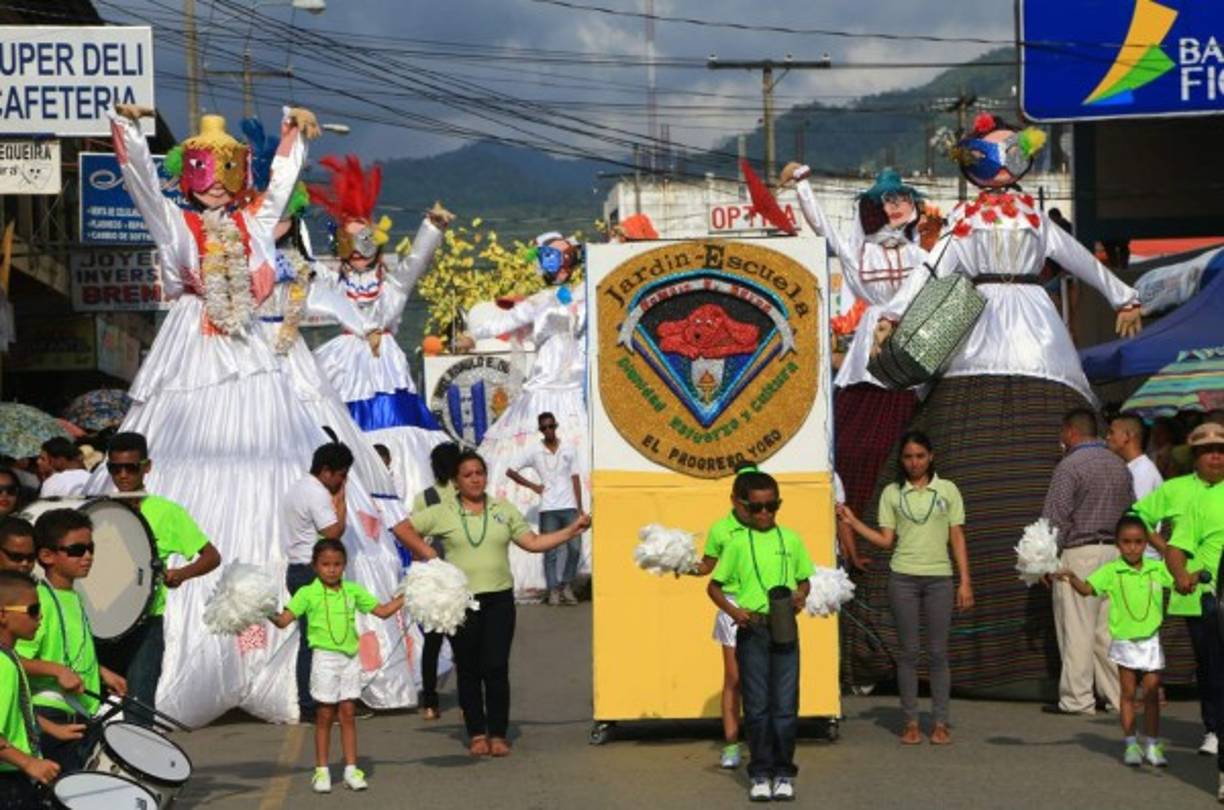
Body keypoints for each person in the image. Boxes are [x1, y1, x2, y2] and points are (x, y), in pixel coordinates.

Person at [843, 114, 1141, 697]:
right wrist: (889, 314)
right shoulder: (987, 218)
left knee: (956, 434)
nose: (1001, 167)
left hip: (1004, 322)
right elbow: (934, 270)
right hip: (1013, 323)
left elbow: (1076, 258)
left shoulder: (1009, 217)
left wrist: (1123, 293)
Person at [99, 103, 342, 726]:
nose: (215, 179)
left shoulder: (256, 223)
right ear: (188, 171)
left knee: (279, 454)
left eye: (227, 166)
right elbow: (142, 188)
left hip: (252, 353)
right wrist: (126, 129)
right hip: (192, 347)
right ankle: (174, 668)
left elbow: (282, 187)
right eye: (204, 166)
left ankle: (294, 659)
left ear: (240, 172)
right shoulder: (178, 227)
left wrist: (293, 135)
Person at [393, 450, 590, 757]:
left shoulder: (503, 509)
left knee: (496, 666)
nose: (475, 479)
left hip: (499, 599)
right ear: (457, 481)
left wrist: (570, 531)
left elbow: (533, 543)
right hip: (461, 603)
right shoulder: (443, 511)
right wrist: (429, 555)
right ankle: (476, 732)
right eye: (468, 474)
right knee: (469, 669)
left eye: (479, 473)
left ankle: (498, 732)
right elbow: (402, 528)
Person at [779, 163, 932, 517]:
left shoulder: (920, 254)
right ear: (871, 209)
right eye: (885, 201)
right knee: (859, 431)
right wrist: (803, 187)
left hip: (914, 336)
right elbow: (823, 227)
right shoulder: (856, 251)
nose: (893, 207)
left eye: (900, 199)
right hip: (873, 340)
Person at [308, 155, 452, 502]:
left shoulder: (392, 286)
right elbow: (303, 268)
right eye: (350, 241)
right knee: (340, 427)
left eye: (366, 239)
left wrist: (432, 228)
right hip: (345, 363)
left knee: (399, 430)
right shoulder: (332, 282)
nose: (358, 250)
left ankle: (403, 500)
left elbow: (416, 262)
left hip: (385, 364)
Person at [458, 231, 590, 599]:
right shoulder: (538, 301)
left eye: (553, 257)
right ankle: (545, 573)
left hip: (575, 393)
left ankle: (578, 569)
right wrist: (473, 334)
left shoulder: (587, 292)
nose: (547, 266)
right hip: (544, 392)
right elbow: (503, 321)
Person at [838, 431, 973, 744]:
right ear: (902, 460)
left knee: (939, 653)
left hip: (940, 578)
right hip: (903, 578)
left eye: (920, 456)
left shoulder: (948, 490)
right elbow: (886, 540)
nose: (914, 463)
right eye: (909, 457)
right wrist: (854, 522)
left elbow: (957, 537)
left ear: (931, 456)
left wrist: (965, 581)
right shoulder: (892, 493)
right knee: (909, 652)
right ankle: (911, 720)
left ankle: (940, 722)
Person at [707, 469, 813, 802]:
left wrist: (801, 595)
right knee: (756, 706)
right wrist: (733, 611)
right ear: (744, 507)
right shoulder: (737, 542)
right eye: (757, 508)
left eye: (772, 506)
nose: (765, 513)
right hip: (751, 627)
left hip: (784, 626)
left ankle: (783, 772)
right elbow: (713, 586)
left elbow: (804, 579)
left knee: (784, 705)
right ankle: (760, 772)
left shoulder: (792, 539)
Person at [269, 539, 404, 793]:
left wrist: (411, 593)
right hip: (324, 659)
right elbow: (283, 620)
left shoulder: (353, 590)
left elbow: (384, 611)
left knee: (348, 713)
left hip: (350, 659)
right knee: (324, 715)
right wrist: (262, 609)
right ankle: (321, 771)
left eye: (337, 564)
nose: (331, 569)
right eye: (325, 564)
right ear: (314, 566)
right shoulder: (307, 593)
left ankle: (352, 769)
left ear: (345, 565)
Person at [105, 432, 221, 726]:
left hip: (146, 623)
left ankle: (138, 768)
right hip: (101, 623)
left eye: (130, 467)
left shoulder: (168, 512)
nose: (122, 475)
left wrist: (181, 574)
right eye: (114, 468)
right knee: (91, 705)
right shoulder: (101, 510)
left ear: (147, 467)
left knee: (140, 706)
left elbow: (211, 556)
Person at [1056, 516, 1172, 767]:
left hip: (1151, 639)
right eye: (1126, 542)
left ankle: (1152, 745)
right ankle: (1131, 744)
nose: (1133, 547)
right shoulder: (1110, 571)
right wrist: (1071, 576)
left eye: (1139, 542)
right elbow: (1088, 590)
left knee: (1152, 694)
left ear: (1146, 544)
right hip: (1124, 640)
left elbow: (1181, 582)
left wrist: (1195, 576)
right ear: (1117, 544)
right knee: (1128, 693)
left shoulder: (1157, 568)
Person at [16, 509, 126, 771]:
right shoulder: (39, 601)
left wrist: (101, 671)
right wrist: (56, 671)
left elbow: (66, 651)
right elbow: (11, 659)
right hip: (50, 712)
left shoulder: (74, 596)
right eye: (77, 550)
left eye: (91, 548)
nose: (88, 556)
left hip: (79, 711)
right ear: (46, 556)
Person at [1139, 421, 1224, 760]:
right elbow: (1137, 517)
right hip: (1198, 593)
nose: (1215, 457)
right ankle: (1214, 728)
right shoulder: (1176, 490)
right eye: (1207, 451)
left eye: (1221, 450)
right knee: (1210, 664)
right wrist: (1164, 549)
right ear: (1194, 457)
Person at [1043, 409, 1135, 715]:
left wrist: (1045, 560)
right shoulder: (1120, 465)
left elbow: (1056, 518)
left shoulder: (1069, 467)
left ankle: (1077, 699)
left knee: (1076, 629)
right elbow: (1132, 511)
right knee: (1107, 631)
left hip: (1080, 554)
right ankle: (1117, 695)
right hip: (1116, 552)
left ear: (1070, 432)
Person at [688, 462, 761, 771]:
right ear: (734, 498)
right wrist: (679, 562)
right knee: (735, 677)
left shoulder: (765, 524)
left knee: (762, 678)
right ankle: (732, 743)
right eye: (745, 499)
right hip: (731, 605)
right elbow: (706, 567)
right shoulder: (721, 529)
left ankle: (762, 741)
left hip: (762, 606)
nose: (752, 506)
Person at [282, 442, 351, 724]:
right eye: (340, 475)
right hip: (312, 574)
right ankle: (311, 705)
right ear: (326, 471)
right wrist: (341, 502)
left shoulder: (298, 487)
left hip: (297, 569)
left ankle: (315, 701)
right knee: (316, 642)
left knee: (312, 639)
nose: (341, 481)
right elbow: (333, 532)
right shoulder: (317, 493)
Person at [507, 412, 585, 606]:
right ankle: (553, 590)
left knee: (575, 549)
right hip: (548, 509)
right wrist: (533, 486)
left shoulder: (568, 447)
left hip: (569, 507)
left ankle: (565, 585)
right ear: (540, 430)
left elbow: (575, 477)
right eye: (544, 428)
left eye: (551, 426)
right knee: (550, 551)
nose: (548, 430)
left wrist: (580, 508)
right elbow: (510, 471)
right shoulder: (534, 450)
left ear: (556, 426)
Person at [0, 571, 59, 809]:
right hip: (7, 781)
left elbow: (15, 711)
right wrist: (28, 762)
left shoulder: (9, 657)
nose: (41, 616)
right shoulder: (2, 664)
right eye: (33, 610)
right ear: (3, 615)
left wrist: (54, 728)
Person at [411, 442, 461, 721]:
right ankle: (468, 699)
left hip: (433, 578)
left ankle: (430, 701)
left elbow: (413, 536)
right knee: (464, 644)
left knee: (432, 643)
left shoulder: (424, 498)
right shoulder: (464, 494)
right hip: (461, 576)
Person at [1108, 415, 1165, 553]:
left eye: (1111, 432)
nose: (1107, 437)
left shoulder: (1142, 471)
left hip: (1143, 558)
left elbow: (1137, 519)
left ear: (1127, 436)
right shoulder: (1133, 468)